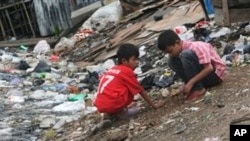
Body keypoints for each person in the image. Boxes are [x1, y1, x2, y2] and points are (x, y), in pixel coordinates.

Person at [93, 43, 165, 130]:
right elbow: (140, 90)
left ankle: (107, 115)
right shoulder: (127, 71)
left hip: (100, 105)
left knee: (116, 90)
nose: (136, 62)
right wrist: (154, 105)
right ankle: (121, 113)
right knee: (131, 88)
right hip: (112, 103)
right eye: (133, 60)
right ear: (124, 61)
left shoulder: (113, 69)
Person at [157, 29, 226, 102]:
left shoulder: (196, 47)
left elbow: (209, 68)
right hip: (204, 79)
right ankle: (195, 87)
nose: (170, 54)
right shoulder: (178, 54)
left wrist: (191, 82)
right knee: (171, 61)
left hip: (214, 76)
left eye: (170, 51)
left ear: (177, 43)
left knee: (185, 55)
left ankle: (198, 89)